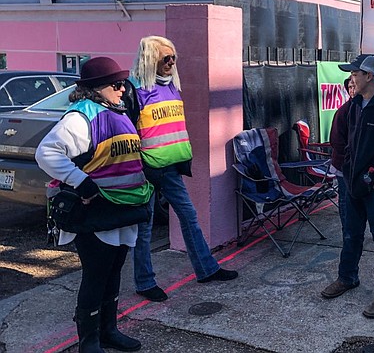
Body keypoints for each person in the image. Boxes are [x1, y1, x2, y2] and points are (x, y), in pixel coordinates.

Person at [36, 57, 153, 352]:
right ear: (95, 89)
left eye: (124, 83)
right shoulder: (80, 117)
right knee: (96, 276)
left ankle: (109, 330)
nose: (122, 89)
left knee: (114, 273)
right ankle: (89, 341)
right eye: (116, 84)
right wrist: (81, 181)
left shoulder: (117, 111)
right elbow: (46, 153)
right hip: (97, 212)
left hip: (123, 210)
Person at [125, 36, 238, 303]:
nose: (172, 62)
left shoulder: (172, 87)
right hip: (145, 171)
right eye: (166, 58)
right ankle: (144, 282)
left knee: (189, 217)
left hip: (171, 168)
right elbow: (129, 133)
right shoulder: (135, 91)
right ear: (150, 59)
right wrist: (139, 166)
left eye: (174, 57)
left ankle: (206, 269)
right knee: (144, 228)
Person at [321, 54, 374, 318]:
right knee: (351, 233)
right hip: (352, 183)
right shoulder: (354, 106)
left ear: (369, 76)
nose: (351, 79)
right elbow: (348, 144)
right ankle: (347, 277)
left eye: (355, 74)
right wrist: (348, 171)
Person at [329, 77, 356, 232]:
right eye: (350, 87)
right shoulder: (343, 111)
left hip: (361, 165)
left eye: (354, 86)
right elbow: (336, 141)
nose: (352, 90)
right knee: (345, 200)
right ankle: (348, 232)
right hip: (344, 165)